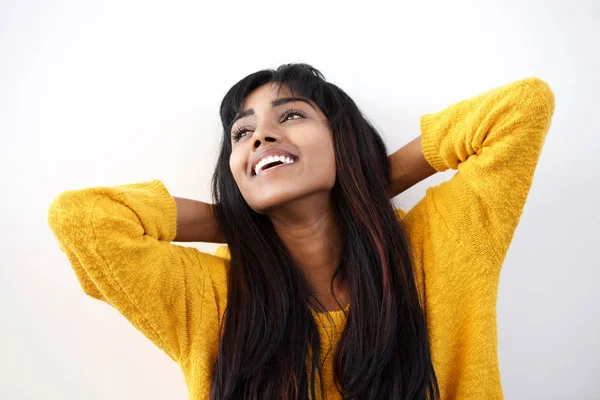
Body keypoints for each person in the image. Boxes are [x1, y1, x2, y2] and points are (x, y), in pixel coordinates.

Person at [47, 63, 554, 400]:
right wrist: (243, 218)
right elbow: (83, 219)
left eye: (292, 115)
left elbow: (521, 108)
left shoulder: (441, 244)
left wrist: (361, 184)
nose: (262, 135)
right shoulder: (208, 298)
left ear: (344, 141)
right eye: (242, 133)